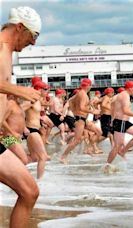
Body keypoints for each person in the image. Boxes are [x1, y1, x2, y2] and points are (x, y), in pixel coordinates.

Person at [0, 6, 41, 227]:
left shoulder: (7, 52)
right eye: (33, 36)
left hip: (2, 139)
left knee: (29, 192)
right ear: (19, 27)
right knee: (28, 191)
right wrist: (19, 90)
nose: (33, 43)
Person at [106, 81, 133, 166]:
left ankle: (123, 152)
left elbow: (112, 108)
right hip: (120, 122)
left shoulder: (118, 96)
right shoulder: (125, 95)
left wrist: (112, 119)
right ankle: (107, 165)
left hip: (123, 122)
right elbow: (126, 111)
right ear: (130, 88)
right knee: (117, 146)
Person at [60, 79, 99, 164]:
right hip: (80, 119)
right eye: (90, 85)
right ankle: (63, 156)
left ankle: (88, 149)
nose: (91, 87)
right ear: (88, 85)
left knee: (98, 132)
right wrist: (93, 111)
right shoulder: (82, 94)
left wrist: (89, 104)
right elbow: (81, 107)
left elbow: (70, 101)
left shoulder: (80, 93)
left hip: (82, 119)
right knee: (77, 140)